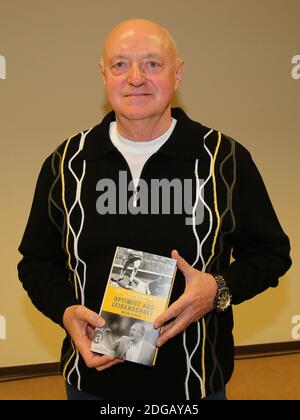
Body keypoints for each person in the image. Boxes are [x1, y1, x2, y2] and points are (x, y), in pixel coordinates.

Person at [18, 18, 291, 400]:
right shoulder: (66, 163)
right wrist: (65, 312)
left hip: (194, 386)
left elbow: (272, 255)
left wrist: (217, 288)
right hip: (91, 385)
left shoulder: (224, 159)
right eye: (120, 65)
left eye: (151, 64)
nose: (135, 77)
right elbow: (35, 262)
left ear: (177, 74)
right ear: (103, 74)